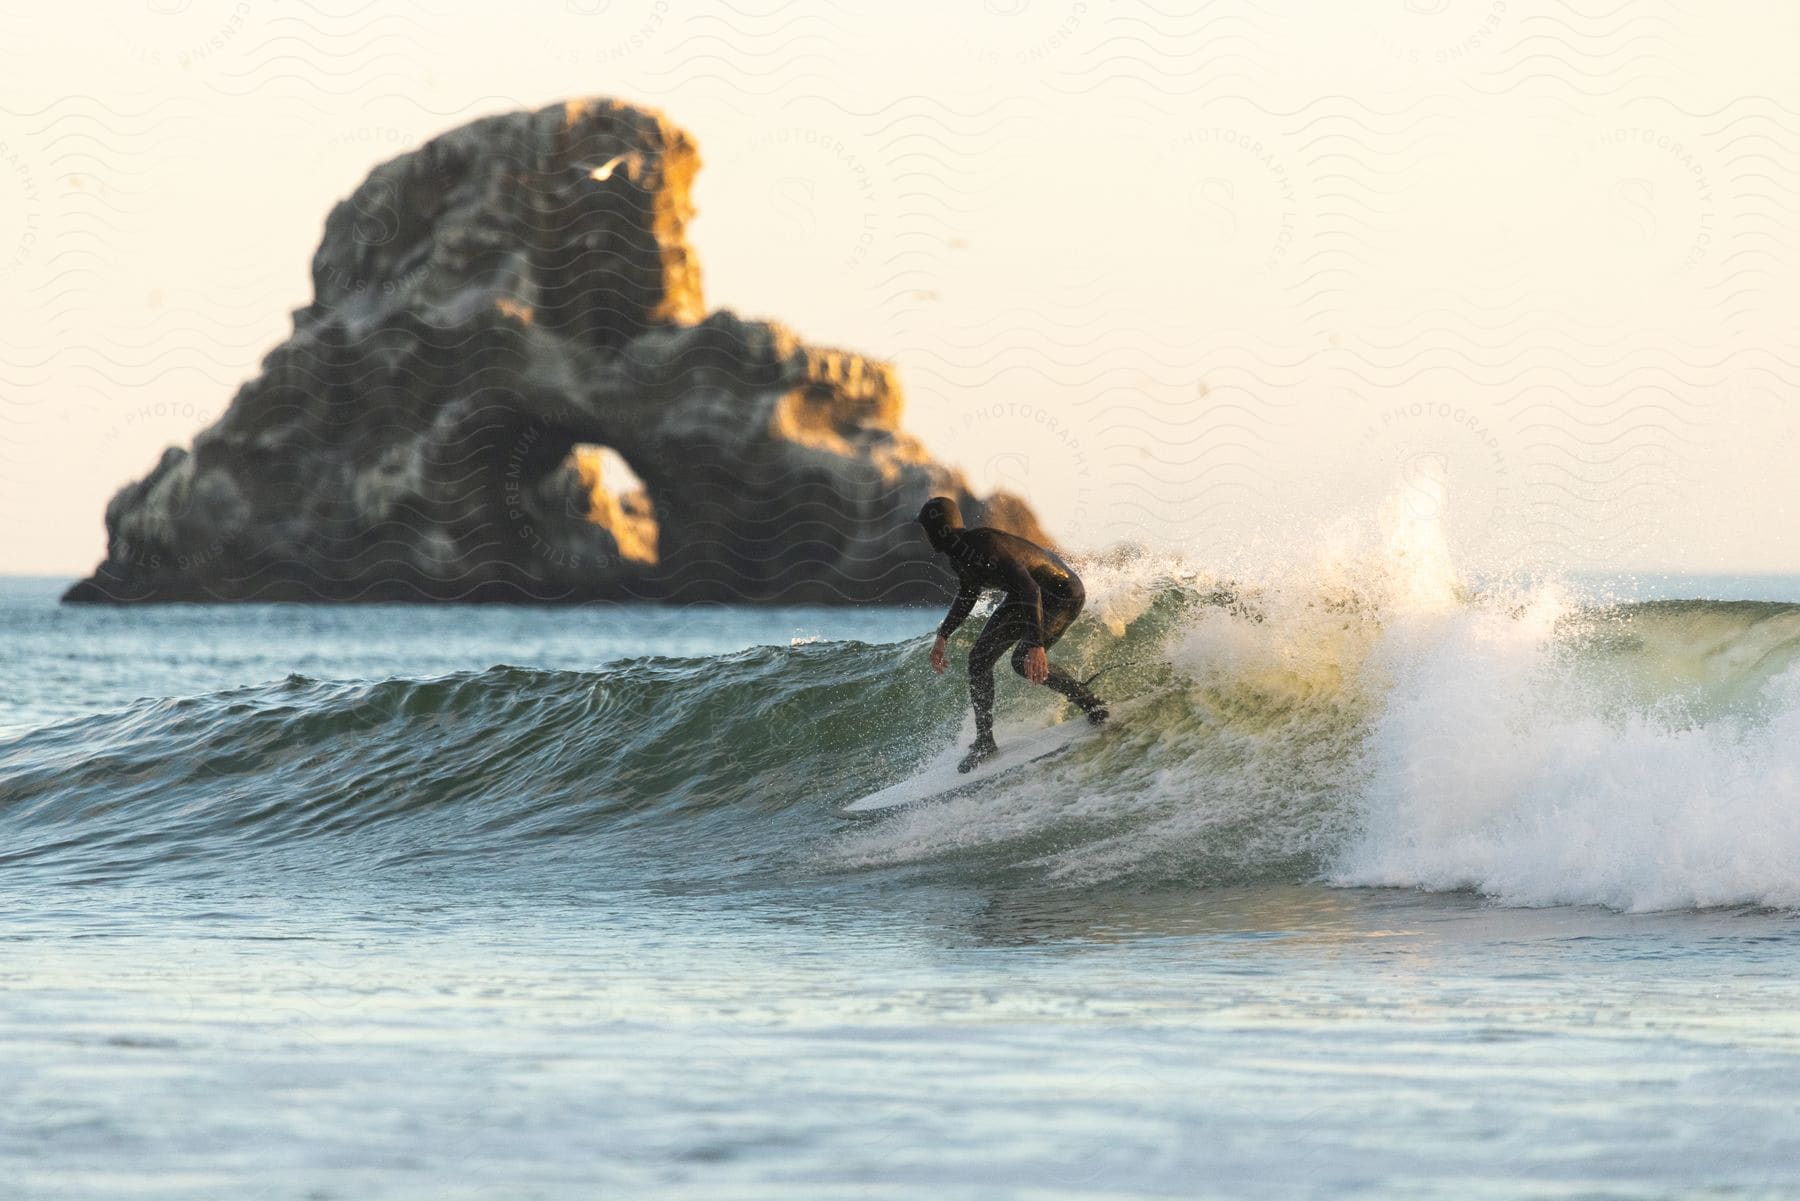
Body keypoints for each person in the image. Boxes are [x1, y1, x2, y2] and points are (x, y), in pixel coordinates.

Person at [914, 496, 1108, 772]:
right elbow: (968, 594)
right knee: (979, 659)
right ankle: (984, 742)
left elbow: (1032, 589)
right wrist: (943, 635)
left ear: (939, 528)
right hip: (1025, 595)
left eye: (925, 528)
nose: (924, 535)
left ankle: (1092, 705)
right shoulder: (958, 556)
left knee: (1021, 661)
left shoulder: (985, 545)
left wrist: (1035, 644)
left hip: (1062, 594)